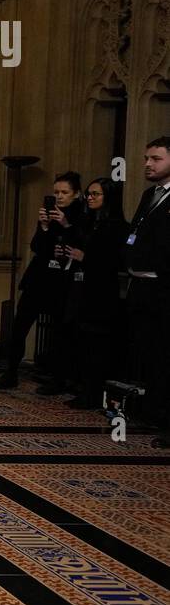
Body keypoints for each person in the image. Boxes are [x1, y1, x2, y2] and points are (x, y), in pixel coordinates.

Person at [0, 170, 85, 391]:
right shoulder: (49, 213)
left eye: (65, 192)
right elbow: (37, 247)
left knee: (59, 331)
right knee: (20, 326)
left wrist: (66, 225)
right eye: (56, 192)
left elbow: (82, 244)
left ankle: (58, 378)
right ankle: (11, 371)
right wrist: (44, 227)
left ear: (76, 194)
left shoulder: (82, 216)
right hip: (38, 278)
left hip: (62, 282)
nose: (60, 197)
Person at [61, 178, 129, 409]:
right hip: (81, 289)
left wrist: (86, 258)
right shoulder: (88, 222)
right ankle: (83, 388)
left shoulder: (117, 227)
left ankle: (93, 393)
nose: (90, 198)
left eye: (96, 195)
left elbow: (115, 261)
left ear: (108, 197)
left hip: (101, 293)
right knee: (81, 341)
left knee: (97, 346)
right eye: (88, 194)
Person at [126, 137, 170, 447]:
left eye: (155, 158)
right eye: (146, 158)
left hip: (164, 289)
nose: (147, 164)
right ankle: (154, 411)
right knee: (150, 352)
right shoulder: (149, 194)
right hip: (142, 286)